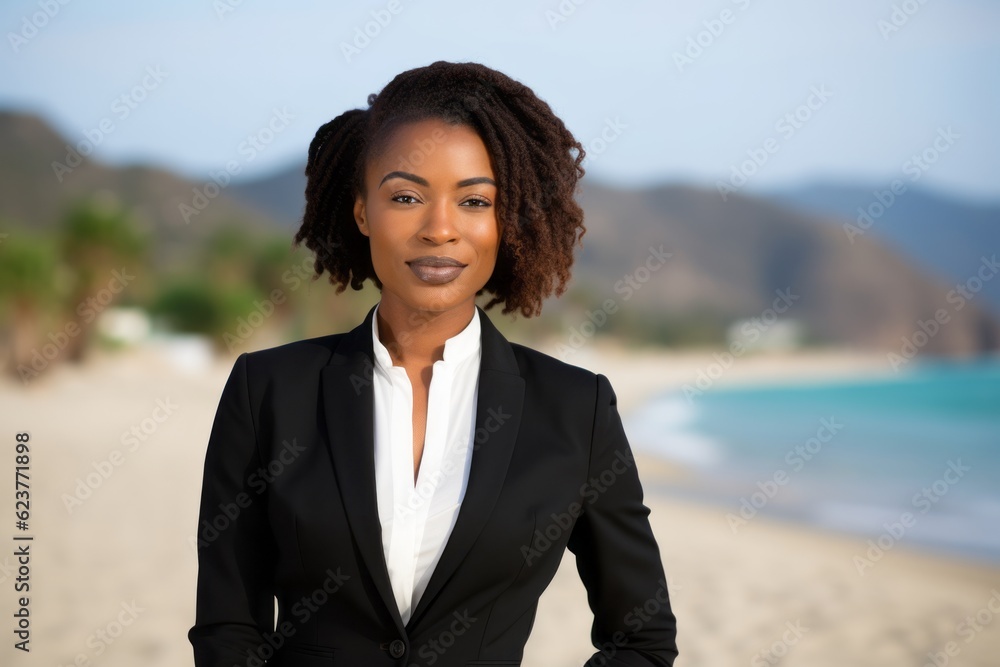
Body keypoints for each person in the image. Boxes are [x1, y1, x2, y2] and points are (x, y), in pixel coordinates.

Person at [187, 60, 678, 667]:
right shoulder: (266, 392)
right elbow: (228, 629)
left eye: (474, 200)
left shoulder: (578, 411)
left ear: (507, 220)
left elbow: (642, 639)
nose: (439, 229)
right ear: (363, 211)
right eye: (405, 196)